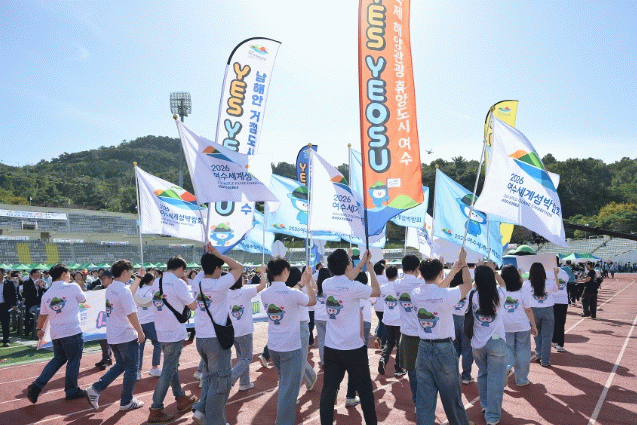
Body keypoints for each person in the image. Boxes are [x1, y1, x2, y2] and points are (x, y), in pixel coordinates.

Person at [411, 250, 473, 425]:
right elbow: (468, 285)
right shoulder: (446, 295)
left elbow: (435, 289)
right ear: (440, 273)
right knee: (452, 399)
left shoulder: (415, 293)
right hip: (443, 349)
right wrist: (464, 264)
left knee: (424, 401)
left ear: (421, 274)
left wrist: (452, 271)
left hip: (423, 349)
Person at [320, 249, 379, 425]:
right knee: (366, 391)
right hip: (353, 348)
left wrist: (360, 263)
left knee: (328, 391)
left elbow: (345, 278)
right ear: (347, 266)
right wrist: (371, 269)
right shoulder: (354, 287)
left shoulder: (326, 283)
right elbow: (376, 291)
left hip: (332, 348)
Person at [190, 247, 244, 425]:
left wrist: (209, 256)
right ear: (216, 268)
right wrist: (219, 254)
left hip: (201, 339)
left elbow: (204, 269)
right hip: (216, 340)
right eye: (220, 267)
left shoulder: (197, 282)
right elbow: (239, 268)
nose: (221, 271)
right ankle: (214, 421)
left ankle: (202, 410)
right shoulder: (219, 285)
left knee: (209, 378)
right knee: (221, 383)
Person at [260, 257, 316, 425]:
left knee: (285, 385)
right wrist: (306, 283)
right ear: (285, 271)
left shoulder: (265, 294)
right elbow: (312, 301)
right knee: (288, 392)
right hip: (290, 347)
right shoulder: (292, 293)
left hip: (274, 347)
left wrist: (301, 284)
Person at [86, 260, 146, 411]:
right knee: (131, 369)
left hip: (113, 335)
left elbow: (128, 293)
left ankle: (95, 389)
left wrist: (139, 278)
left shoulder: (111, 288)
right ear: (124, 272)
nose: (131, 274)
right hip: (125, 335)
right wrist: (140, 332)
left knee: (121, 365)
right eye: (130, 272)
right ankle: (126, 401)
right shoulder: (122, 290)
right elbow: (131, 313)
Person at [148, 256, 198, 424]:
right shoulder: (178, 283)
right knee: (168, 370)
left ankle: (181, 398)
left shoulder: (157, 282)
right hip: (174, 331)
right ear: (180, 268)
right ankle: (156, 408)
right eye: (184, 271)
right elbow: (193, 306)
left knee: (172, 366)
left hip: (161, 330)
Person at [27, 264, 87, 403]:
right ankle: (71, 390)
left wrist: (39, 329)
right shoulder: (73, 287)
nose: (70, 276)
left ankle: (37, 385)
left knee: (58, 359)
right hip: (72, 331)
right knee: (73, 360)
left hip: (56, 333)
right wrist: (79, 285)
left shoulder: (47, 294)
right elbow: (83, 299)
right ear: (63, 274)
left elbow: (42, 315)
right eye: (68, 273)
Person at [469, 263, 508, 425]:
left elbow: (472, 286)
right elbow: (504, 284)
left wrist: (479, 276)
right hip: (496, 341)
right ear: (492, 279)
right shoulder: (499, 294)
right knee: (496, 380)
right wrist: (494, 271)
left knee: (483, 374)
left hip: (478, 343)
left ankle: (485, 405)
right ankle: (492, 417)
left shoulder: (473, 295)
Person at [228, 267, 266, 390]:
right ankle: (230, 379)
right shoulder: (245, 292)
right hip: (244, 331)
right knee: (247, 358)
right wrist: (263, 271)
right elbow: (263, 285)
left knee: (241, 357)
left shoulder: (226, 293)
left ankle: (244, 383)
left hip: (232, 331)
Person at [394, 254, 424, 407]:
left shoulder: (397, 284)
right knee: (425, 370)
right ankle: (424, 400)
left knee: (412, 370)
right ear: (417, 267)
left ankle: (417, 400)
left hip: (407, 333)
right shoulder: (421, 283)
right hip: (424, 332)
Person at [501, 265, 537, 386]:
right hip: (522, 326)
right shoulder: (523, 291)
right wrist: (534, 326)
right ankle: (521, 380)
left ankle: (507, 368)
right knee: (523, 352)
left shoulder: (499, 290)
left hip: (505, 326)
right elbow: (528, 310)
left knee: (507, 350)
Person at [290, 266, 318, 399]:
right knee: (297, 359)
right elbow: (315, 290)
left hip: (300, 326)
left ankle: (293, 393)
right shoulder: (295, 290)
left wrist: (308, 280)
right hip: (294, 326)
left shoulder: (298, 290)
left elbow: (315, 291)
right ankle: (311, 376)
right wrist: (309, 280)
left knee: (298, 360)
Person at [525, 263, 559, 367]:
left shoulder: (527, 284)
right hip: (547, 310)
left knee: (536, 334)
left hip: (533, 311)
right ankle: (545, 360)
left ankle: (538, 354)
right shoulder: (549, 282)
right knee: (547, 336)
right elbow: (557, 288)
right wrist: (556, 274)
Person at [131, 272, 163, 379]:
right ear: (151, 280)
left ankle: (137, 371)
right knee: (158, 343)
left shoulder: (137, 290)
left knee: (140, 347)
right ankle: (154, 368)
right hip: (151, 321)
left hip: (139, 321)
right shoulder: (153, 290)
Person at [450, 271, 474, 385]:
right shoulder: (469, 290)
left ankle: (454, 374)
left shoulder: (449, 291)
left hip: (452, 321)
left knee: (455, 349)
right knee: (467, 350)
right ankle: (466, 376)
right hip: (465, 321)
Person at [378, 265, 403, 377]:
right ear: (397, 275)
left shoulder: (383, 287)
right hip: (399, 321)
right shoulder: (400, 287)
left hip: (387, 320)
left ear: (386, 276)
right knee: (400, 345)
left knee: (390, 342)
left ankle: (383, 359)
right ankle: (398, 368)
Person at [94, 271, 114, 370]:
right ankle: (107, 358)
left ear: (111, 279)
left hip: (113, 317)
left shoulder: (114, 289)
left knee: (109, 340)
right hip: (102, 317)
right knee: (102, 338)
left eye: (104, 278)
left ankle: (107, 358)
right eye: (101, 278)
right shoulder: (98, 289)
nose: (102, 280)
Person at [314, 267, 332, 367]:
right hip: (328, 318)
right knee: (331, 340)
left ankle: (323, 361)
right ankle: (330, 360)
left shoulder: (316, 288)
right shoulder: (330, 287)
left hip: (318, 317)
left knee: (321, 341)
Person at [552, 266, 570, 352]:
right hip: (563, 301)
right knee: (561, 323)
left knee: (553, 322)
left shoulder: (549, 273)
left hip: (553, 301)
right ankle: (559, 344)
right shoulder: (564, 273)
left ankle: (555, 341)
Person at [23, 269, 46, 336]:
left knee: (38, 317)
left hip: (38, 302)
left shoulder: (40, 281)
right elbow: (26, 292)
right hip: (30, 302)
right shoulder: (27, 282)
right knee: (28, 317)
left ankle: (36, 330)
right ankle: (27, 331)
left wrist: (41, 286)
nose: (39, 274)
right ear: (33, 273)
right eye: (38, 273)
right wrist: (35, 286)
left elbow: (45, 290)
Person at [0, 268, 18, 346]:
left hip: (5, 305)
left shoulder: (9, 283)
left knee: (5, 324)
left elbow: (15, 294)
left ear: (3, 274)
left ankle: (6, 340)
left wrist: (15, 304)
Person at [372, 261, 387, 349]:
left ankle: (378, 338)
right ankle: (383, 343)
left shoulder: (373, 279)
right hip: (385, 305)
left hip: (377, 305)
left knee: (381, 322)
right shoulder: (386, 279)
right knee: (383, 324)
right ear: (383, 270)